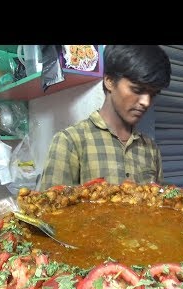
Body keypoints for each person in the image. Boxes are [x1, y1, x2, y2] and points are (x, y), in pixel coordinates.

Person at [39, 45, 172, 190]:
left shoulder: (150, 148)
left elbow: (159, 203)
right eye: (137, 90)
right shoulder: (70, 142)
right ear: (109, 81)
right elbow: (48, 208)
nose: (146, 102)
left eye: (153, 94)